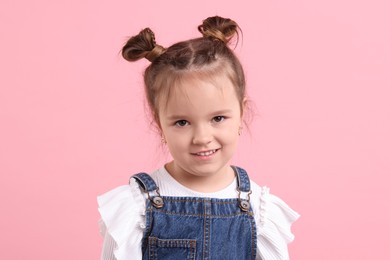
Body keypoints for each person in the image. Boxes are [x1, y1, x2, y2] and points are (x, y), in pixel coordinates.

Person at [98, 16, 299, 260]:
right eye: (182, 122)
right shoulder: (138, 207)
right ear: (159, 123)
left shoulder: (259, 208)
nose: (202, 138)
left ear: (241, 114)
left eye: (218, 118)